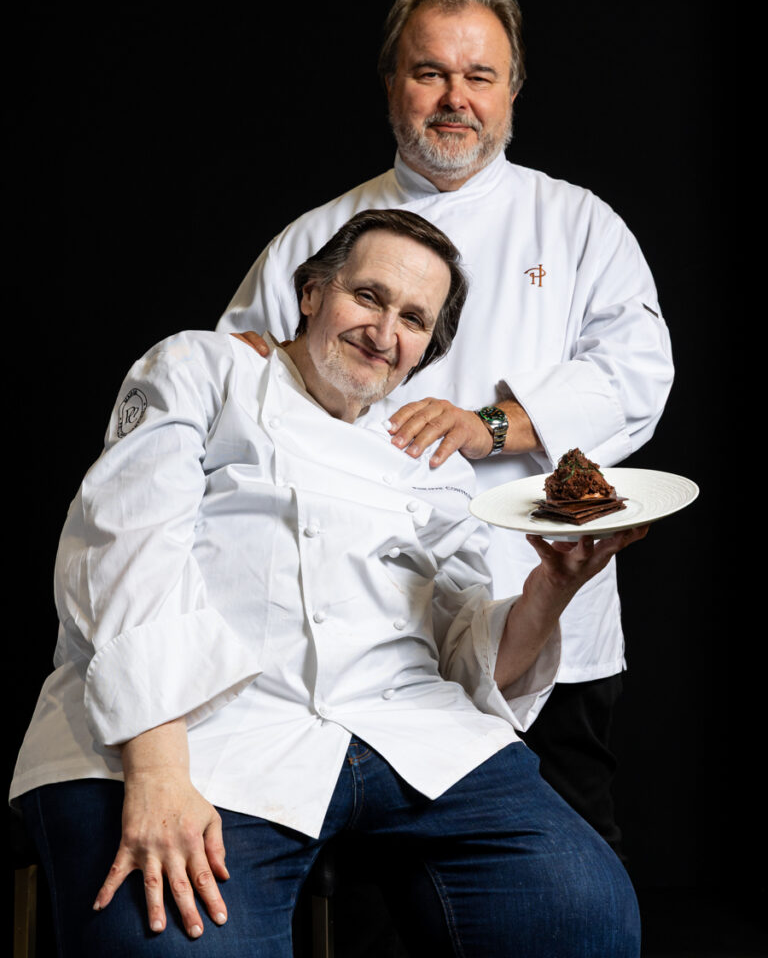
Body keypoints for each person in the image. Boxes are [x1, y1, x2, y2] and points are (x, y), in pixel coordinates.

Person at [12, 209, 645, 957]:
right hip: (205, 737)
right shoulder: (205, 369)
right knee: (177, 945)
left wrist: (554, 585)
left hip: (407, 735)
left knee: (584, 914)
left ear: (426, 349)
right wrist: (156, 771)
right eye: (368, 296)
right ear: (312, 293)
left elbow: (471, 663)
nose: (384, 332)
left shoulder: (425, 457)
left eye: (414, 319)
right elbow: (123, 551)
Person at [217, 0, 674, 851]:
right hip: (367, 635)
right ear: (393, 82)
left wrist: (489, 426)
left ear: (512, 91)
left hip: (547, 605)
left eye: (479, 76)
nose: (454, 99)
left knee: (566, 870)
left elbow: (636, 373)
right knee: (383, 885)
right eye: (429, 72)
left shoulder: (578, 224)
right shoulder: (314, 239)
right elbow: (235, 398)